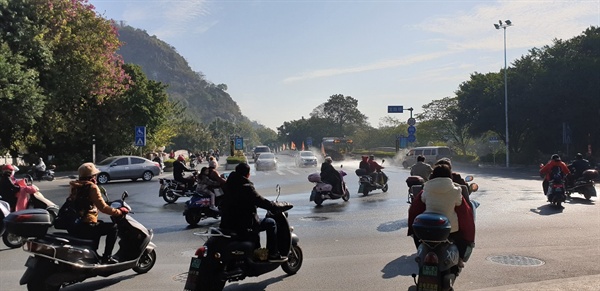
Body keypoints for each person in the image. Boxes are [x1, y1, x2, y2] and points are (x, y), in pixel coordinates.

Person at [407, 164, 475, 268]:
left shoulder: (426, 188)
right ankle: (460, 259)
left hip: (426, 229)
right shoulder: (456, 190)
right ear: (449, 175)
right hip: (450, 230)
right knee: (463, 237)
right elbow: (463, 210)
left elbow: (416, 207)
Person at [219, 162, 288, 262]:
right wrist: (274, 206)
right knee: (271, 223)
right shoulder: (246, 187)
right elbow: (260, 201)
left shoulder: (228, 185)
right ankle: (273, 253)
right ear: (248, 174)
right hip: (244, 224)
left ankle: (256, 249)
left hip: (227, 223)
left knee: (257, 221)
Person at [67, 162, 127, 264]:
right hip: (86, 224)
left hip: (75, 223)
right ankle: (107, 257)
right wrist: (118, 211)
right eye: (95, 175)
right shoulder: (92, 187)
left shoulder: (75, 186)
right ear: (91, 176)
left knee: (99, 224)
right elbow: (103, 207)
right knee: (113, 228)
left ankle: (93, 253)